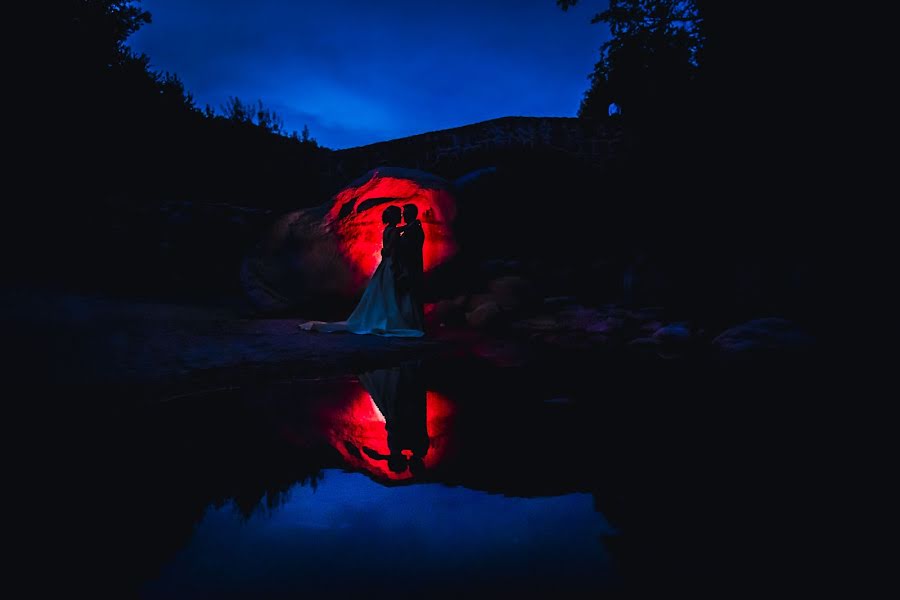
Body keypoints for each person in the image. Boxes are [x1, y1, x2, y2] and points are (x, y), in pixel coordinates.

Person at [298, 206, 423, 337]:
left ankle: (383, 318)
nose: (401, 216)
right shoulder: (395, 232)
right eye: (399, 214)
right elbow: (391, 248)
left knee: (385, 292)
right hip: (391, 264)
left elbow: (391, 242)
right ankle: (390, 320)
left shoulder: (388, 229)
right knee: (390, 293)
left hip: (386, 263)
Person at [395, 204, 426, 331]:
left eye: (405, 213)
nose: (403, 216)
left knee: (413, 294)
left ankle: (416, 324)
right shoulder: (411, 228)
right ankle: (413, 322)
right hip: (408, 266)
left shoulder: (414, 229)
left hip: (411, 266)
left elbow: (410, 249)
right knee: (410, 295)